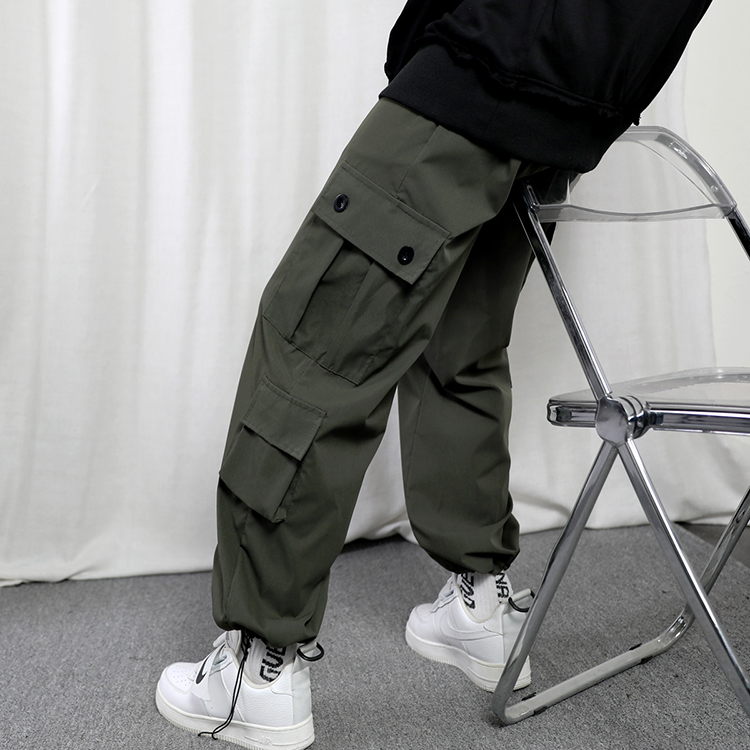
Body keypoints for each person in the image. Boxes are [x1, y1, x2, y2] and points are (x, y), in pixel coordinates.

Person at [154, 2, 714, 748]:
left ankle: (258, 667)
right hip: (582, 95)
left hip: (489, 57)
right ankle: (478, 607)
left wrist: (427, 52)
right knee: (461, 344)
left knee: (315, 347)